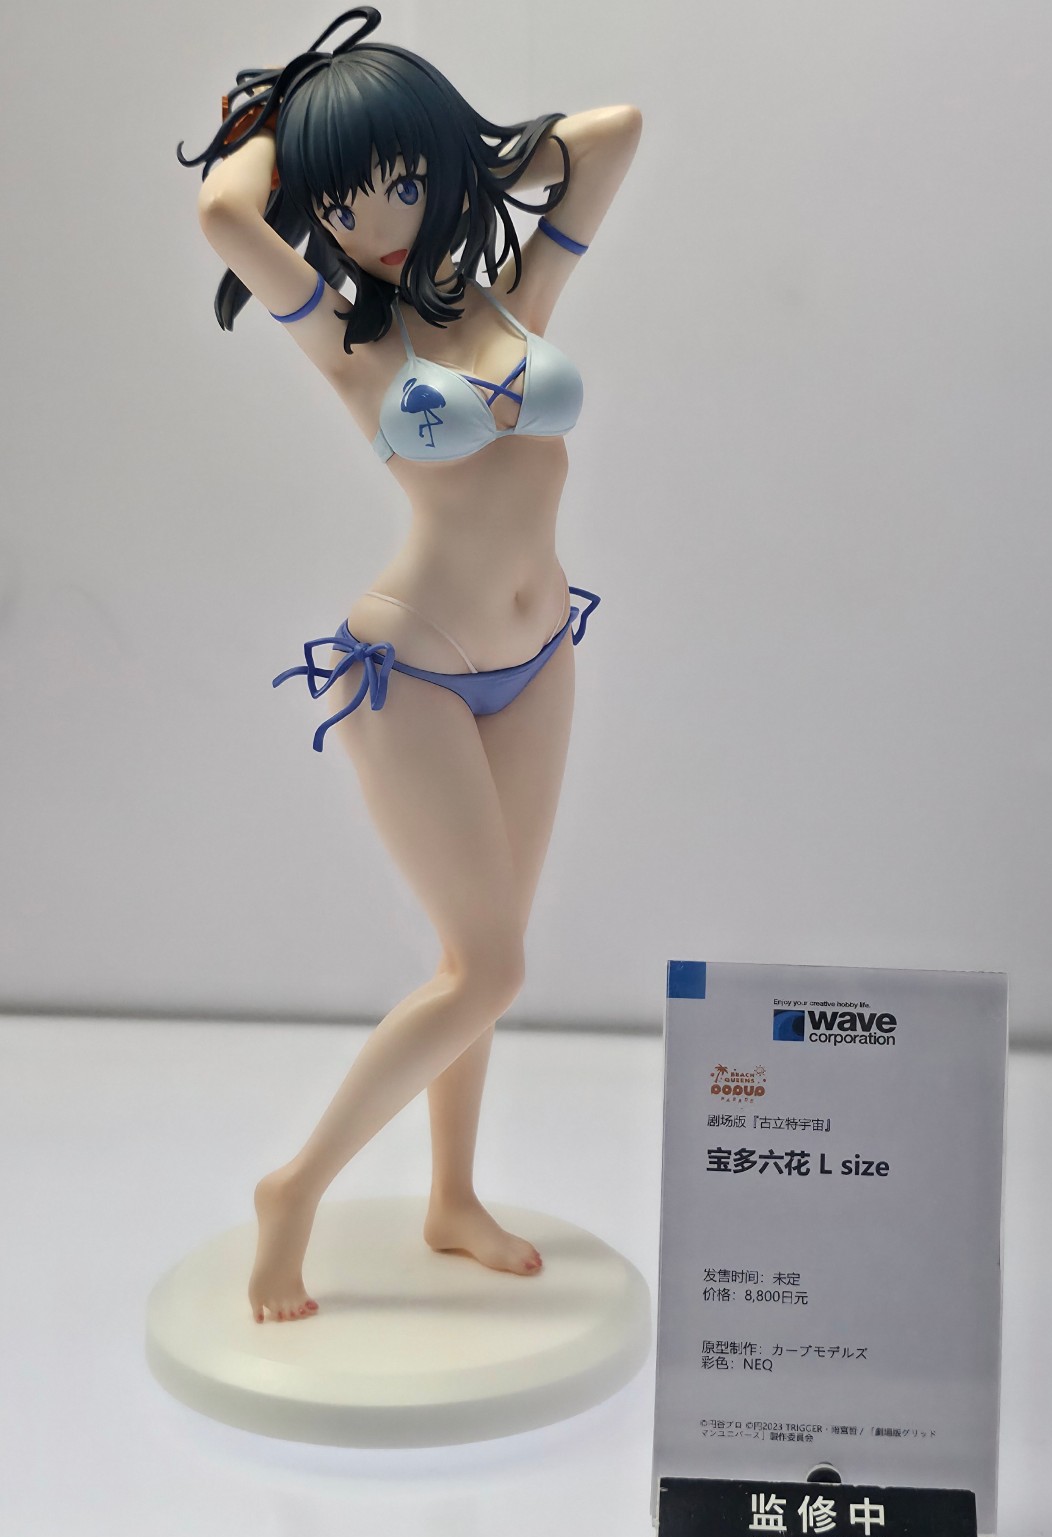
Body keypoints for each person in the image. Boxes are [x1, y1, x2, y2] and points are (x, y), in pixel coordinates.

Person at [178, 6, 641, 1324]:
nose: (372, 221)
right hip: (412, 669)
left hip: (539, 651)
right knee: (487, 972)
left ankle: (452, 1199)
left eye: (397, 181)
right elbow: (222, 212)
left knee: (479, 956)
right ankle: (294, 1189)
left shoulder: (506, 297)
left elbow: (612, 137)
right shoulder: (348, 337)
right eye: (340, 201)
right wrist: (287, 116)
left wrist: (460, 150)